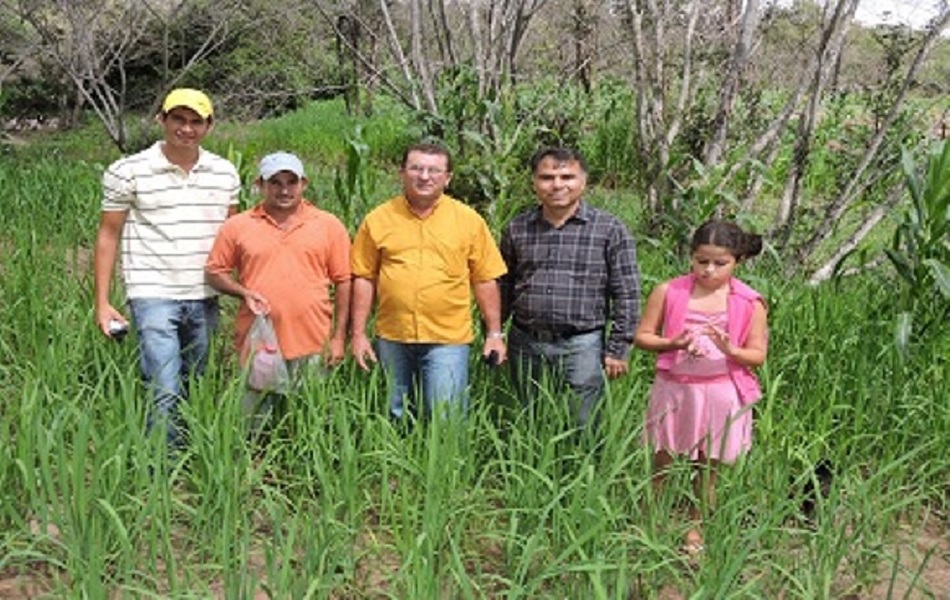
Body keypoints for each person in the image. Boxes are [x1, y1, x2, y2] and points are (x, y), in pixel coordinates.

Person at [94, 88, 240, 450]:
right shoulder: (128, 171)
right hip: (153, 291)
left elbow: (233, 236)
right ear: (162, 119)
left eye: (196, 121)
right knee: (164, 385)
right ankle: (162, 465)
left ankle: (196, 454)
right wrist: (102, 302)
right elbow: (108, 235)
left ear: (209, 126)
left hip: (205, 292)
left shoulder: (224, 173)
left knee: (197, 380)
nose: (186, 129)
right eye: (178, 119)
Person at [634, 219, 768, 556]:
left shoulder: (749, 302)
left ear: (738, 261)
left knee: (708, 469)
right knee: (662, 460)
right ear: (690, 256)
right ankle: (650, 523)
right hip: (675, 388)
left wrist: (731, 350)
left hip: (721, 391)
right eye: (701, 261)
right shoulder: (669, 291)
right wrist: (673, 343)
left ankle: (696, 529)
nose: (709, 270)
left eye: (720, 263)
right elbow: (643, 336)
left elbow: (757, 355)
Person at [350, 142, 507, 421]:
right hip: (393, 335)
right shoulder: (378, 219)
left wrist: (494, 334)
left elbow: (485, 279)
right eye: (416, 168)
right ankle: (395, 451)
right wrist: (359, 333)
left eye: (434, 170)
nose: (424, 176)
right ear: (402, 173)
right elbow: (364, 276)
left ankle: (445, 452)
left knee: (446, 416)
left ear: (448, 178)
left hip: (448, 339)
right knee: (393, 412)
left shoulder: (469, 221)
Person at [206, 152, 352, 430]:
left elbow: (344, 280)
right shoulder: (238, 226)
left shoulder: (328, 225)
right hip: (259, 341)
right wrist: (243, 292)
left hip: (313, 339)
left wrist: (338, 337)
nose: (284, 190)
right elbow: (215, 273)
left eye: (291, 182)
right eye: (275, 182)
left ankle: (306, 457)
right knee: (252, 422)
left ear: (303, 184)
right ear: (260, 185)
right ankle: (251, 457)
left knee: (310, 421)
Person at [500, 147, 640, 428]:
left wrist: (618, 348)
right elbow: (503, 285)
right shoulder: (518, 228)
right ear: (534, 182)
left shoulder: (609, 229)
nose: (557, 185)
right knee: (528, 421)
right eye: (547, 177)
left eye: (567, 177)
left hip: (582, 344)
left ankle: (585, 458)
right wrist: (494, 334)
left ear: (583, 181)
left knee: (584, 423)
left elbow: (627, 293)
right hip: (526, 341)